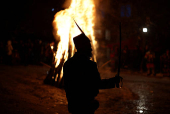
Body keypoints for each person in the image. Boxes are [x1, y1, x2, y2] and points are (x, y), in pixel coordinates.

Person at [63, 22, 121, 114]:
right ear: (84, 48)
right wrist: (114, 81)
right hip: (86, 106)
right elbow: (97, 84)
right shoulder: (89, 65)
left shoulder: (68, 63)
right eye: (89, 46)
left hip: (73, 106)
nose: (91, 49)